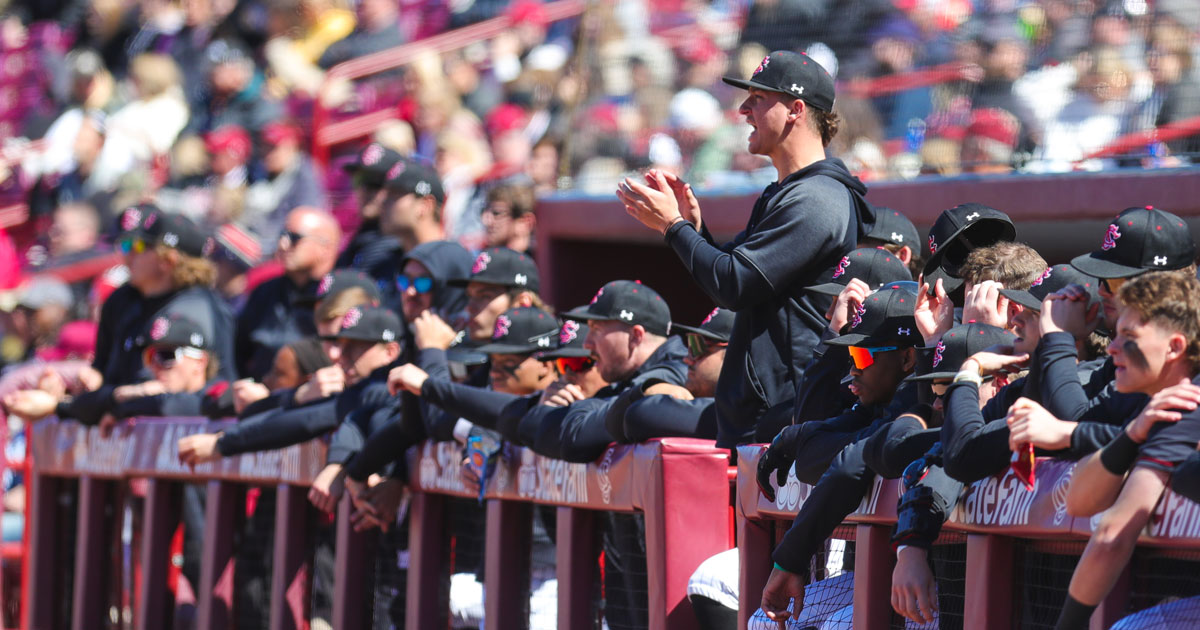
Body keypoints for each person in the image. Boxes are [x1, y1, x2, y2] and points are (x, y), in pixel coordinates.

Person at [617, 50, 875, 448]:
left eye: (758, 98)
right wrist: (695, 230)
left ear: (796, 109)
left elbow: (732, 285)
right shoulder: (789, 192)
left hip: (790, 414)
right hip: (769, 414)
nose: (743, 109)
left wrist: (674, 226)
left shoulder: (818, 198)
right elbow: (731, 273)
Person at [1053, 272, 1200, 630]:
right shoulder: (1160, 408)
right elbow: (1079, 501)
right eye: (1116, 332)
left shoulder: (1186, 404)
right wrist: (1131, 435)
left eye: (1130, 336)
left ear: (1175, 347)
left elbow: (1110, 538)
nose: (1113, 346)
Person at [235, 207, 341, 380]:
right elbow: (238, 353)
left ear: (325, 248)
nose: (283, 244)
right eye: (281, 235)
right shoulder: (265, 291)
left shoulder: (339, 296)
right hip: (256, 395)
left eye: (294, 238)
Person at [338, 143, 405, 270]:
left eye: (374, 183)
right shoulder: (360, 237)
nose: (364, 190)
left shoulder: (398, 246)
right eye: (359, 180)